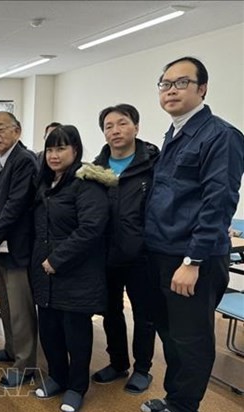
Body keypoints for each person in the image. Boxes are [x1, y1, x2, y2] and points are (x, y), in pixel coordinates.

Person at [143, 57, 244, 412]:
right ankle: (173, 396)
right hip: (163, 252)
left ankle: (186, 408)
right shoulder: (175, 133)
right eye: (164, 83)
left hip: (192, 258)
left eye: (181, 82)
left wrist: (194, 260)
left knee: (192, 337)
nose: (170, 89)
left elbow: (218, 203)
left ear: (202, 89)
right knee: (169, 331)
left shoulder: (221, 135)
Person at [31, 125, 114, 412]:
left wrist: (57, 259)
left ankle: (77, 387)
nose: (54, 155)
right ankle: (56, 377)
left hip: (76, 273)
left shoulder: (86, 183)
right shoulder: (45, 183)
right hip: (44, 273)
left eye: (61, 149)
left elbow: (91, 228)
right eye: (50, 149)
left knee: (75, 334)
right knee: (50, 331)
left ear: (75, 151)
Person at [91, 104, 159, 394]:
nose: (115, 131)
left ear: (136, 127)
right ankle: (118, 363)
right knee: (111, 312)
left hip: (142, 256)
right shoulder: (96, 168)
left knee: (144, 315)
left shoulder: (154, 164)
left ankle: (142, 368)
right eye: (108, 126)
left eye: (122, 124)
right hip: (106, 255)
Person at [0, 111, 39, 389]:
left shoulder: (24, 160)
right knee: (7, 305)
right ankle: (12, 350)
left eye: (1, 128)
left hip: (19, 246)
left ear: (18, 131)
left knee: (21, 308)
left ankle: (25, 366)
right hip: (2, 246)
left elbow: (15, 205)